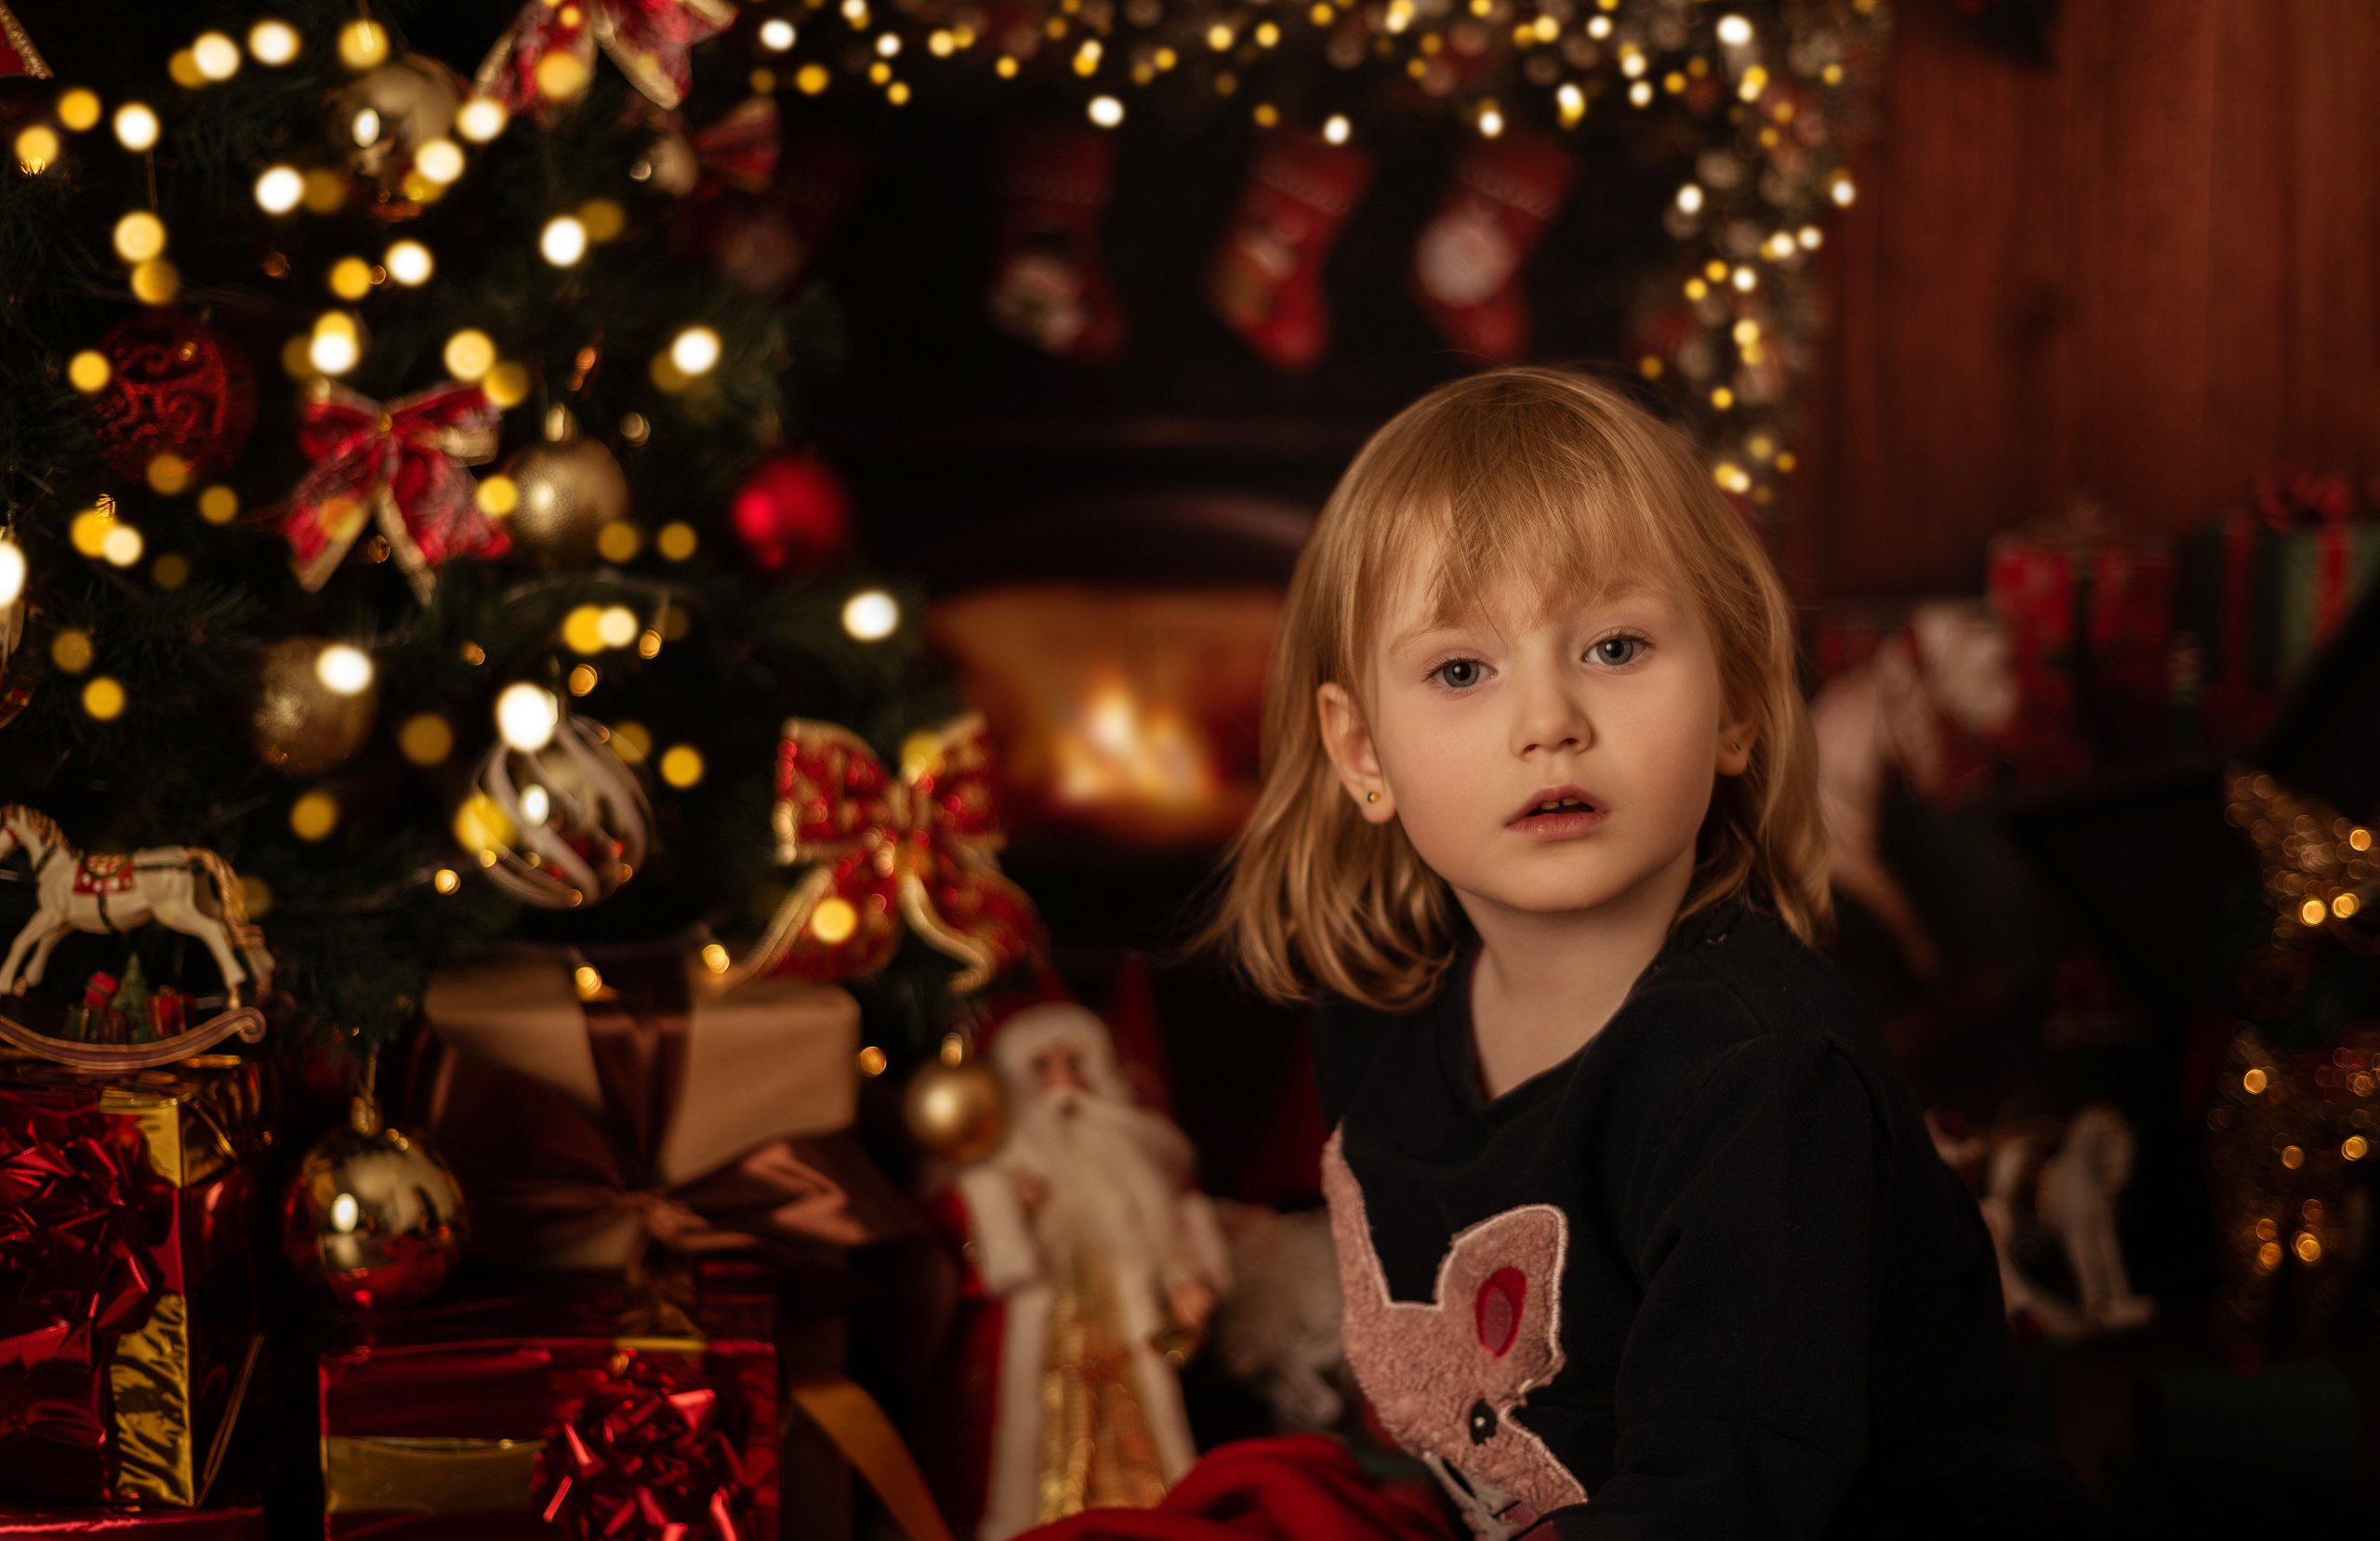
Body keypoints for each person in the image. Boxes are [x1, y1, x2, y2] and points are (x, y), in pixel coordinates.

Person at [1207, 369, 2078, 1538]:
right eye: (1461, 670)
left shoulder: (1758, 1074)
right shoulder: (1382, 1017)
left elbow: (1722, 1502)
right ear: (1363, 752)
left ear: (1735, 707)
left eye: (1614, 646)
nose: (1548, 722)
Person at [952, 1001, 1233, 1539]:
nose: (1064, 1083)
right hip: (1042, 1351)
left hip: (1124, 1346)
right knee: (1028, 1457)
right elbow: (969, 1257)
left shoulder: (1135, 1159)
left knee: (1142, 1449)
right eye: (1042, 1068)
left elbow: (1171, 1233)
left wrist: (1187, 1280)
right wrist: (1001, 1204)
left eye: (1077, 1064)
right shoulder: (998, 1169)